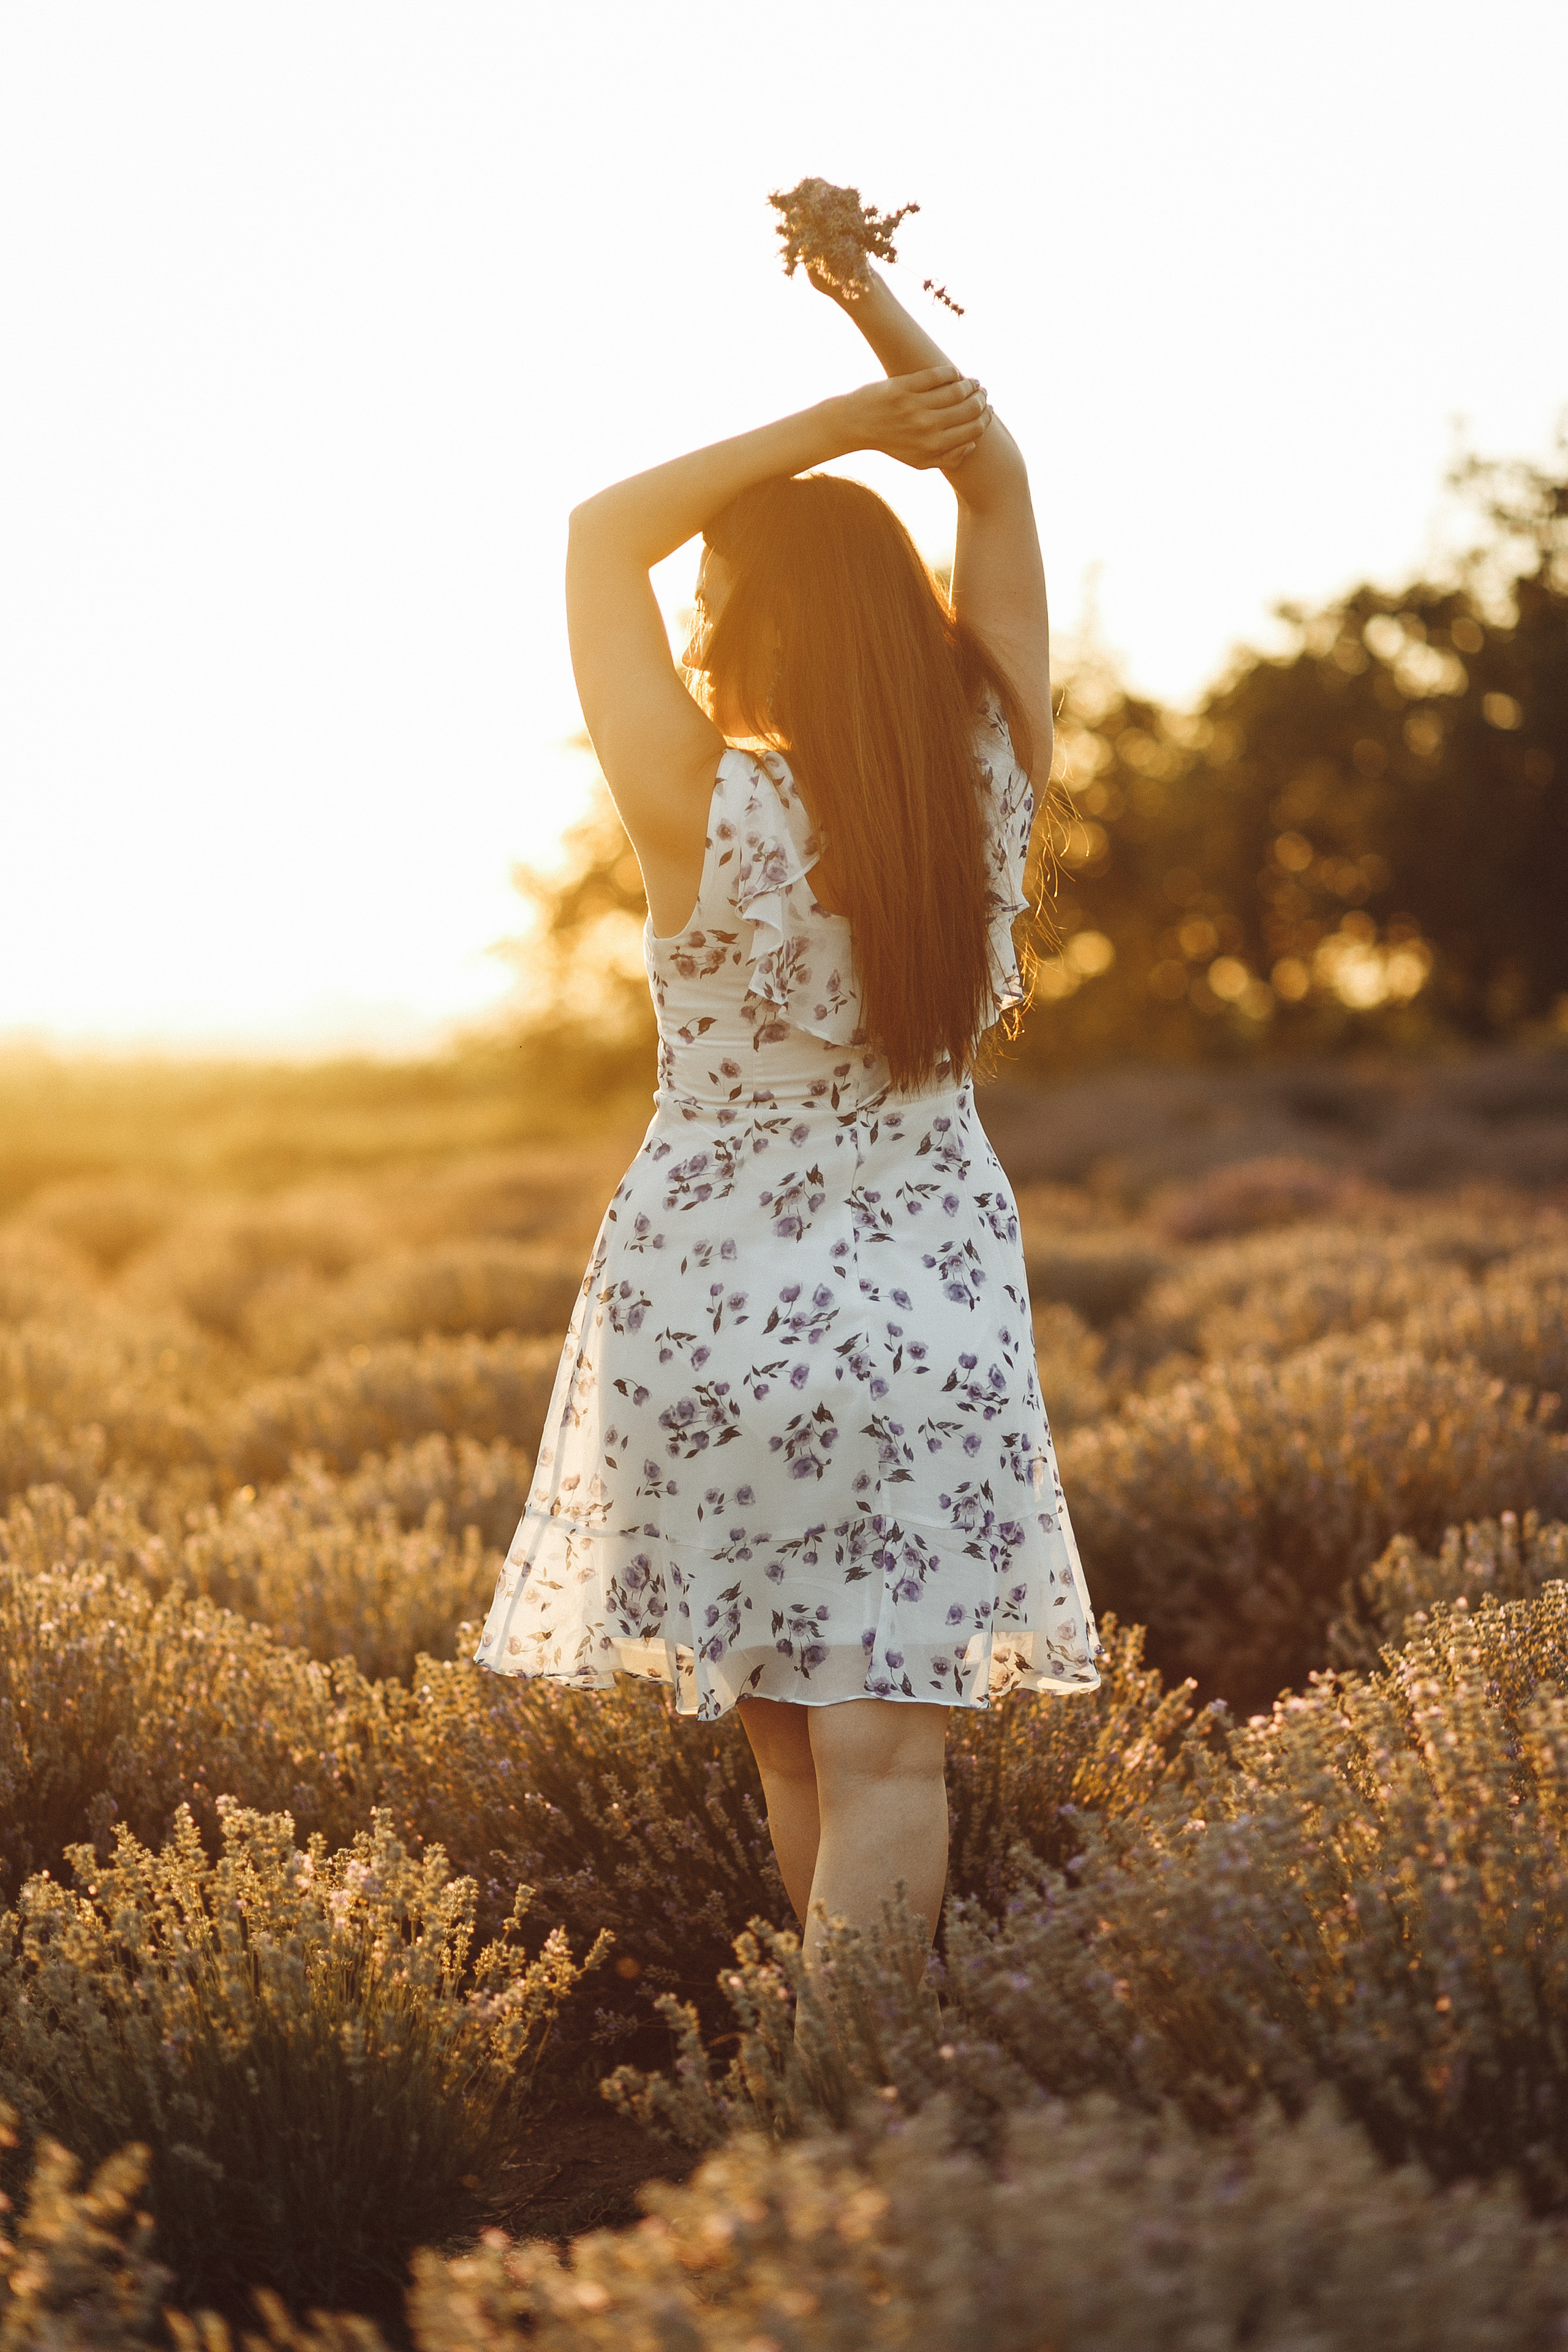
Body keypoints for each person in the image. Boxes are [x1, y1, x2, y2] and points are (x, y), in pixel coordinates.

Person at [476, 250, 1101, 1970]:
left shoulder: (692, 803)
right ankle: (858, 2154)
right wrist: (884, 335)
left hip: (704, 1307)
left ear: (742, 628)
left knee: (783, 1741)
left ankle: (826, 2154)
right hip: (922, 1307)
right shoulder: (989, 771)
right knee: (890, 1759)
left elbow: (606, 530)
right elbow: (997, 473)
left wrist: (833, 419)